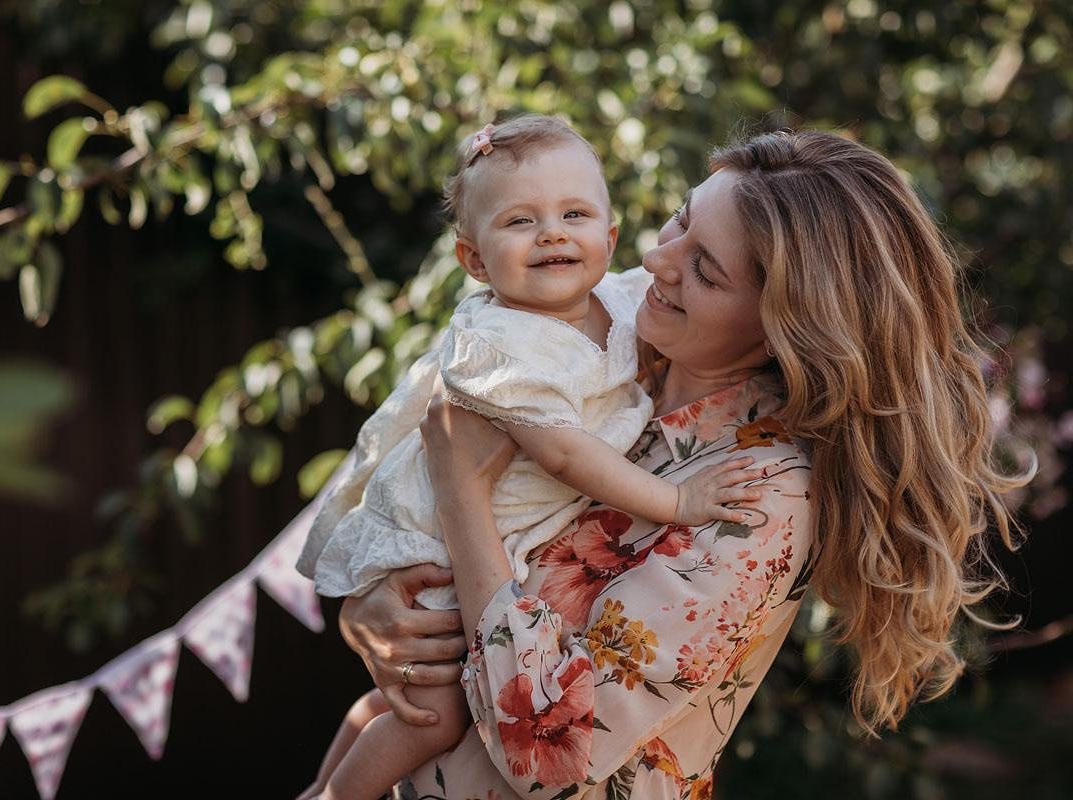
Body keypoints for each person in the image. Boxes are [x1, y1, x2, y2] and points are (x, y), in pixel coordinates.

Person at [333, 130, 1028, 799]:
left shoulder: (763, 499)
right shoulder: (612, 323)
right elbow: (412, 440)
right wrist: (369, 603)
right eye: (679, 222)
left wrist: (462, 496)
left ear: (783, 323)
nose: (657, 260)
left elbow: (549, 755)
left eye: (705, 269)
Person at [295, 116, 760, 800]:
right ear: (475, 262)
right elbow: (566, 454)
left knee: (411, 698)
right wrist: (679, 503)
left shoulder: (621, 297)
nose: (551, 233)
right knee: (436, 710)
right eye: (519, 221)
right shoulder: (503, 348)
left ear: (607, 236)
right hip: (434, 543)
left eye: (574, 214)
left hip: (488, 529)